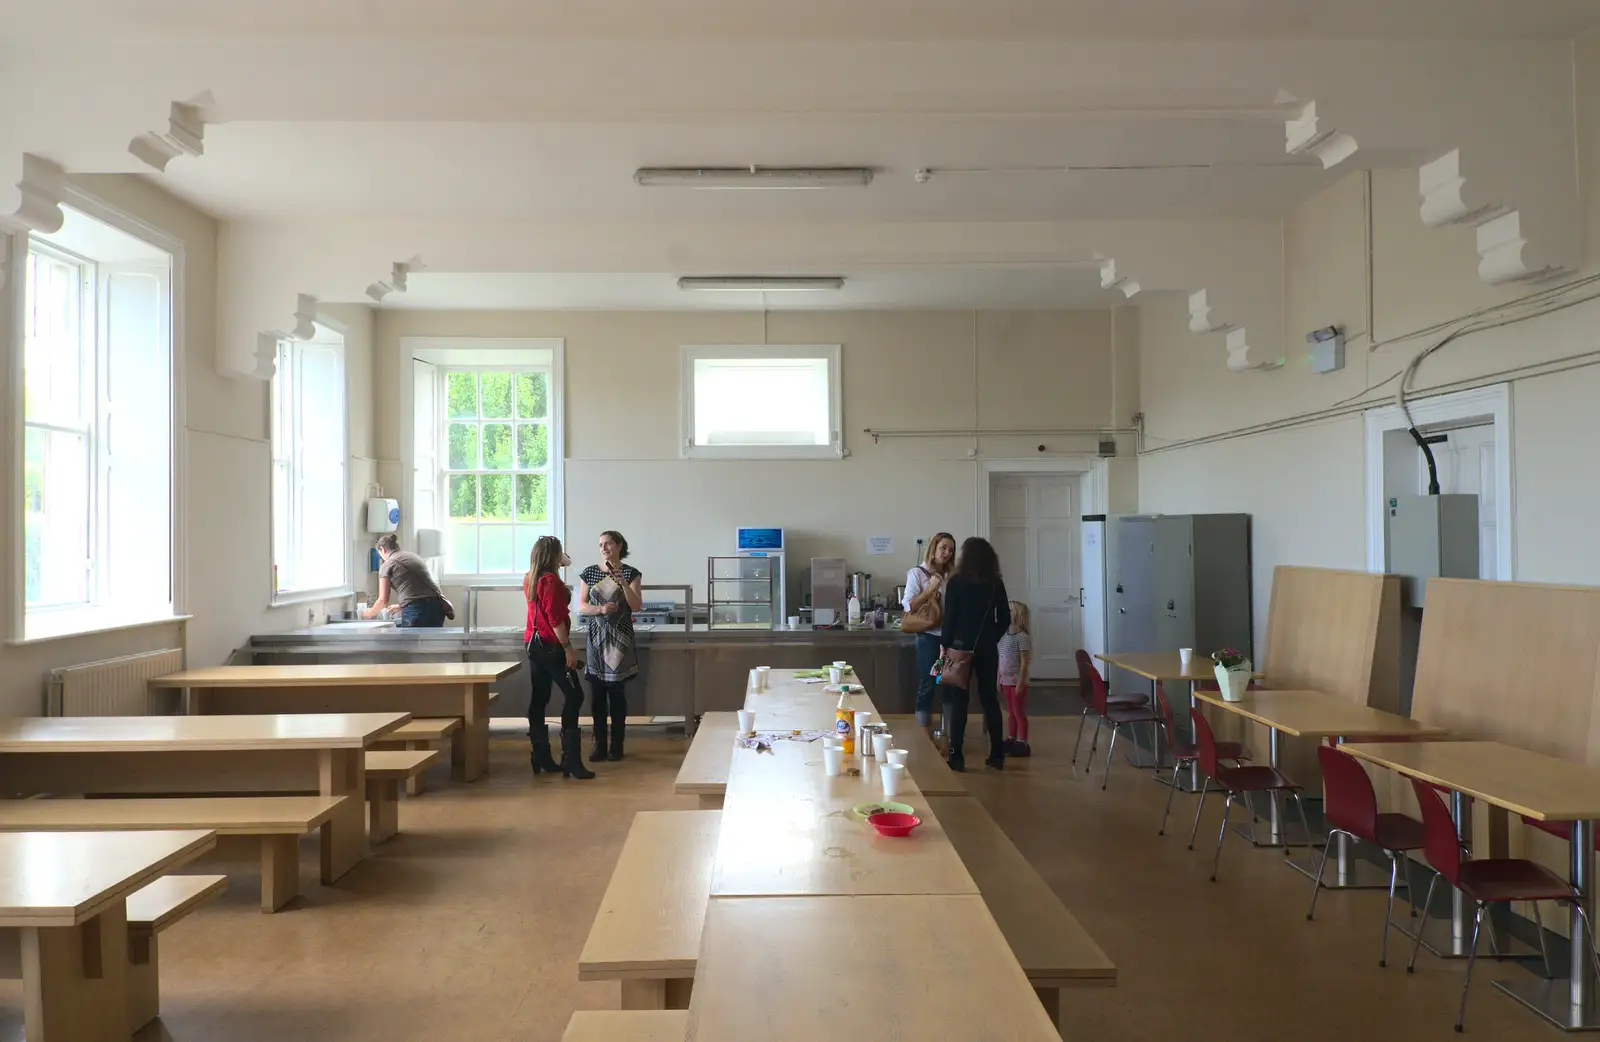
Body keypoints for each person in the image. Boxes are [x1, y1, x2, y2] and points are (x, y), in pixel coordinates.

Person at [523, 535, 594, 780]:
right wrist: (568, 649)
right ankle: (571, 760)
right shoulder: (551, 581)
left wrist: (562, 560)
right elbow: (555, 620)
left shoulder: (531, 577)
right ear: (553, 555)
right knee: (574, 695)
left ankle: (540, 756)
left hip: (533, 644)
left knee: (539, 697)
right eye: (560, 552)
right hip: (552, 645)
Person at [938, 537, 1011, 772]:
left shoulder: (956, 582)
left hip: (960, 647)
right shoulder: (995, 583)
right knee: (989, 699)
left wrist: (944, 645)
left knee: (959, 700)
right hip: (988, 648)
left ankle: (956, 756)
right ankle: (997, 754)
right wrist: (992, 637)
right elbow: (1005, 619)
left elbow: (949, 618)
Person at [576, 530, 642, 761]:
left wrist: (623, 582)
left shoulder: (631, 573)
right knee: (596, 695)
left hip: (620, 640)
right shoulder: (590, 573)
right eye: (601, 544)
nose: (604, 548)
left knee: (617, 694)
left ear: (620, 545)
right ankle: (599, 744)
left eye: (608, 543)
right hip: (596, 639)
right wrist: (601, 609)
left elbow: (636, 605)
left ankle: (617, 745)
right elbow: (581, 606)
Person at [902, 532, 956, 735]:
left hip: (950, 636)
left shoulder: (952, 576)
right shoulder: (917, 574)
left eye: (950, 550)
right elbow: (909, 607)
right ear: (933, 548)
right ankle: (925, 736)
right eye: (943, 548)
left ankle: (949, 734)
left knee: (950, 684)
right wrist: (930, 589)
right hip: (927, 636)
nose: (947, 553)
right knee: (928, 683)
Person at [363, 534, 452, 627]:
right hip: (437, 607)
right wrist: (402, 606)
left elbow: (383, 600)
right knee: (430, 641)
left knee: (409, 641)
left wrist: (369, 613)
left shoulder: (388, 564)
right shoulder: (412, 556)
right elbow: (419, 589)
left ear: (383, 549)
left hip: (417, 611)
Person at [998, 600, 1033, 757]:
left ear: (1019, 615)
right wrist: (998, 678)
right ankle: (1011, 738)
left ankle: (1022, 741)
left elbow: (1025, 662)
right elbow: (1001, 659)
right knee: (1010, 712)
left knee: (1018, 712)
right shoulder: (1004, 635)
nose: (1008, 613)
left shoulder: (1022, 637)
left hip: (1016, 681)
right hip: (1005, 680)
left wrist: (1020, 682)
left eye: (1011, 611)